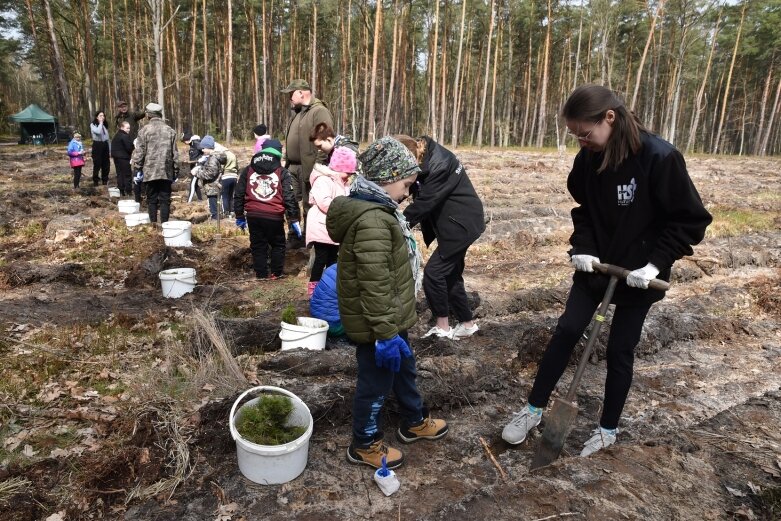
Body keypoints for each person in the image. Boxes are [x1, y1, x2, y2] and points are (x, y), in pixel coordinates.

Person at [500, 84, 712, 457]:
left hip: (640, 273)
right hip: (596, 264)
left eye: (586, 133)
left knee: (620, 350)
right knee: (566, 329)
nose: (582, 141)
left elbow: (688, 220)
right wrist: (582, 246)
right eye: (574, 135)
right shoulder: (589, 159)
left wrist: (654, 264)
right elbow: (584, 209)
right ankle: (533, 409)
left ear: (609, 118)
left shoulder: (659, 157)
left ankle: (606, 430)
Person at [325, 136, 448, 470]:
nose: (408, 193)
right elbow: (374, 284)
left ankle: (413, 420)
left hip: (390, 320)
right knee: (375, 383)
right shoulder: (373, 221)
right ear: (387, 178)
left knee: (404, 371)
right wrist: (383, 334)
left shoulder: (380, 211)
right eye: (406, 184)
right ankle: (364, 443)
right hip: (377, 325)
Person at [395, 135, 485, 340]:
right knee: (450, 275)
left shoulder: (440, 165)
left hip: (461, 226)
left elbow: (426, 202)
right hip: (457, 222)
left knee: (434, 274)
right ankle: (467, 324)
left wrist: (397, 224)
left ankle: (442, 327)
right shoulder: (430, 158)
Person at [233, 139, 301, 280]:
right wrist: (294, 218)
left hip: (253, 215)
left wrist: (239, 215)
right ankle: (276, 273)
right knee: (278, 245)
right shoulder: (282, 172)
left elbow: (238, 194)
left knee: (258, 245)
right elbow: (289, 197)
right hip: (274, 216)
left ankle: (261, 275)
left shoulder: (248, 170)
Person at [281, 79, 335, 245]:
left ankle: (310, 238)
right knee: (289, 200)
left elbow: (327, 139)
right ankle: (294, 234)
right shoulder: (297, 113)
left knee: (309, 205)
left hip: (311, 168)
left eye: (291, 94)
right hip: (293, 167)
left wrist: (318, 166)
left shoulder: (319, 111)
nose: (290, 98)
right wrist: (285, 159)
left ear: (301, 92)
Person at [305, 146, 355, 297]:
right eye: (348, 172)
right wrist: (345, 209)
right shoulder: (323, 180)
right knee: (321, 258)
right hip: (321, 227)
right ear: (339, 168)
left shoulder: (343, 183)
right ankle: (314, 288)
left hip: (334, 229)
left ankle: (329, 287)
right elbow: (325, 202)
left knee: (333, 260)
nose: (350, 176)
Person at [132, 102, 179, 224]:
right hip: (166, 172)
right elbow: (175, 154)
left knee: (152, 200)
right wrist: (176, 171)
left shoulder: (144, 131)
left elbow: (139, 153)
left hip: (149, 172)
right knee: (165, 200)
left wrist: (137, 169)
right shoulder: (170, 131)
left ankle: (153, 225)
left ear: (148, 115)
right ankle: (165, 225)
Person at [191, 135, 226, 221]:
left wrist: (197, 173)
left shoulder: (213, 158)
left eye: (203, 148)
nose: (202, 150)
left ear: (208, 147)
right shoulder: (213, 157)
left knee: (214, 206)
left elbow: (211, 173)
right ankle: (216, 217)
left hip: (213, 187)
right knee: (214, 204)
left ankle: (216, 220)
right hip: (213, 186)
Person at [111, 121, 134, 196]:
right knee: (127, 174)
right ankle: (129, 191)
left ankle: (121, 190)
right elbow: (129, 147)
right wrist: (133, 147)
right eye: (127, 128)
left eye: (129, 128)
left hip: (116, 157)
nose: (128, 130)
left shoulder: (116, 135)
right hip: (123, 157)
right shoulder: (124, 136)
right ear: (122, 127)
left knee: (120, 173)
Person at [90, 110, 111, 186]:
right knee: (97, 164)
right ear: (97, 117)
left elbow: (108, 138)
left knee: (106, 164)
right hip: (97, 145)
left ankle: (105, 180)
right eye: (100, 116)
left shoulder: (105, 125)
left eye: (103, 116)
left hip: (105, 145)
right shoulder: (93, 125)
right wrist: (101, 123)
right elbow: (98, 132)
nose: (102, 117)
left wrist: (110, 150)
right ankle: (95, 180)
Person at [181, 132, 204, 202]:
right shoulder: (192, 144)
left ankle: (189, 202)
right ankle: (200, 199)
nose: (184, 143)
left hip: (197, 166)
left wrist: (197, 161)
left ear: (187, 140)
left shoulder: (196, 143)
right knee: (195, 184)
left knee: (192, 184)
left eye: (184, 141)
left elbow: (204, 153)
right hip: (194, 167)